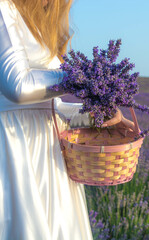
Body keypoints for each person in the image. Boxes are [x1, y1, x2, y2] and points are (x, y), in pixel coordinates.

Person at [0, 0, 136, 239]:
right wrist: (86, 76)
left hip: (49, 154)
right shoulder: (4, 8)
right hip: (15, 146)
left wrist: (96, 115)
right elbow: (18, 86)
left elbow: (51, 108)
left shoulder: (40, 27)